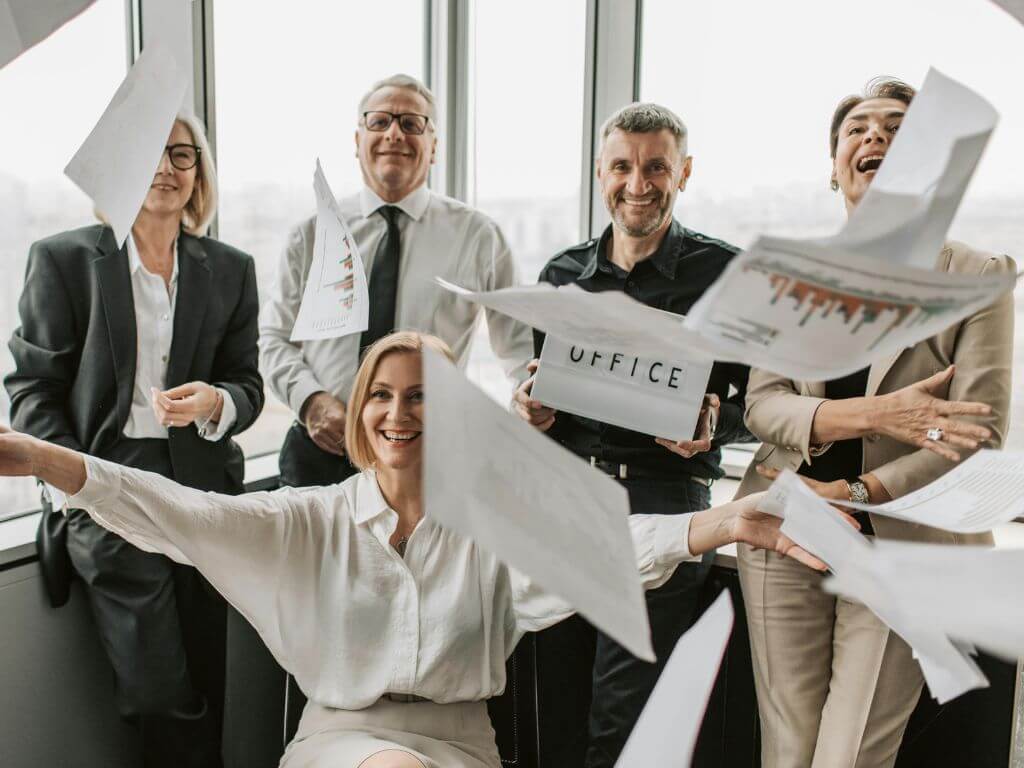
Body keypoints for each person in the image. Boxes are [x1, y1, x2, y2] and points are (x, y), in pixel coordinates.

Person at [0, 331, 827, 768]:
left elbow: (612, 544)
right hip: (338, 746)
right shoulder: (308, 521)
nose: (399, 415)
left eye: (425, 398)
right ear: (360, 415)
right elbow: (175, 510)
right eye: (383, 398)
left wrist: (721, 522)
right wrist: (42, 459)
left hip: (463, 746)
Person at [734, 77, 1015, 768]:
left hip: (903, 540)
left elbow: (977, 434)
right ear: (834, 167)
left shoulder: (978, 277)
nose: (874, 137)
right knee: (788, 747)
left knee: (850, 753)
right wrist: (868, 416)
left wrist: (859, 493)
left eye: (897, 128)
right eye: (856, 129)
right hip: (784, 527)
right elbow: (762, 405)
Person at [4, 112, 263, 767]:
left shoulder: (230, 269)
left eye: (181, 155)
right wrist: (77, 484)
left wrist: (216, 402)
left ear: (198, 174)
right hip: (108, 487)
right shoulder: (64, 260)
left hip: (205, 492)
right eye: (148, 152)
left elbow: (248, 385)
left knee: (207, 672)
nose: (166, 168)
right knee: (157, 690)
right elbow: (33, 388)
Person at [513, 102, 754, 768]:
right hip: (565, 501)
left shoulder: (725, 276)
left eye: (656, 167)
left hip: (664, 500)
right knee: (554, 708)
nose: (638, 183)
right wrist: (530, 408)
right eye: (622, 166)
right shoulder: (561, 276)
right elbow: (544, 398)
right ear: (600, 172)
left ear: (685, 172)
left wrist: (713, 427)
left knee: (624, 724)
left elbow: (755, 406)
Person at [260, 73, 532, 489]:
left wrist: (525, 412)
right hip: (321, 452)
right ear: (357, 141)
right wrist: (312, 403)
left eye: (411, 123)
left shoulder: (478, 236)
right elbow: (273, 339)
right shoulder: (311, 235)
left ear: (434, 146)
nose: (394, 133)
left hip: (429, 453)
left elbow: (517, 350)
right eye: (379, 121)